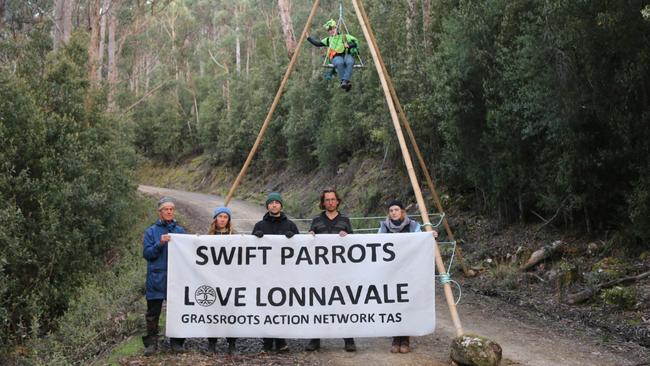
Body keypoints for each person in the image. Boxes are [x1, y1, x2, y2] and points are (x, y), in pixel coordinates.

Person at [378, 199, 438, 353]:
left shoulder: (412, 225)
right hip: (391, 272)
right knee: (394, 303)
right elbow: (377, 243)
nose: (393, 212)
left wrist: (429, 235)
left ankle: (405, 339)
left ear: (402, 211)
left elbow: (419, 239)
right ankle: (395, 338)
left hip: (409, 271)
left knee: (407, 303)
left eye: (396, 209)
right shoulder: (384, 227)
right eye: (391, 210)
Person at [306, 189, 356, 352]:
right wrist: (310, 235)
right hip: (319, 271)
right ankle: (315, 339)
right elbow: (309, 242)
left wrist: (347, 236)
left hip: (341, 271)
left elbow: (355, 244)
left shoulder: (345, 220)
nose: (330, 202)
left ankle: (349, 339)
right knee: (318, 303)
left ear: (338, 201)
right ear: (323, 202)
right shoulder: (316, 220)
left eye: (333, 199)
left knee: (343, 304)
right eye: (327, 200)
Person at [252, 192, 299, 353]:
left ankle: (280, 341)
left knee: (282, 306)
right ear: (267, 206)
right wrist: (255, 238)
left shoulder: (291, 225)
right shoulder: (259, 225)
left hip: (284, 274)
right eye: (271, 203)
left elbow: (300, 248)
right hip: (265, 274)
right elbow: (251, 251)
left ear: (281, 205)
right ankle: (266, 342)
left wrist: (294, 239)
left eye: (276, 202)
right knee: (265, 306)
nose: (274, 205)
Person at [142, 197, 186, 355]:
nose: (169, 211)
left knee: (176, 311)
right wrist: (160, 243)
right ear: (160, 212)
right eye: (166, 209)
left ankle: (177, 343)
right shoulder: (151, 232)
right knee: (153, 314)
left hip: (176, 279)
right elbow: (147, 254)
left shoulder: (180, 231)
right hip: (156, 279)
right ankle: (151, 344)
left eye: (171, 209)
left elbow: (188, 254)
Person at [207, 206, 238, 355]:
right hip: (213, 280)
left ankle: (232, 344)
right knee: (213, 312)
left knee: (231, 312)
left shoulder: (235, 236)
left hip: (231, 280)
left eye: (225, 217)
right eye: (220, 217)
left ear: (229, 220)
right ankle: (211, 344)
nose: (223, 219)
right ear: (215, 218)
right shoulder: (208, 237)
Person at [307, 19, 359, 91]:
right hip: (336, 57)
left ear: (336, 28)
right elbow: (317, 43)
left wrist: (349, 46)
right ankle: (345, 81)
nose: (332, 30)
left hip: (346, 54)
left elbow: (355, 43)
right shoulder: (328, 40)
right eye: (329, 30)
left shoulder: (345, 36)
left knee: (350, 62)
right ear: (328, 32)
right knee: (339, 63)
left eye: (333, 28)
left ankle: (344, 82)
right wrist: (308, 38)